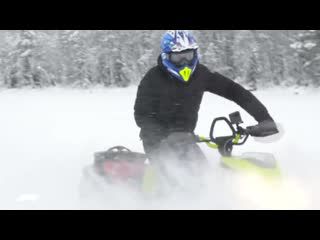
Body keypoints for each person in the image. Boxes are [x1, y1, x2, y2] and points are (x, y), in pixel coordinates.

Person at [134, 30, 278, 165]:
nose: (185, 62)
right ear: (167, 56)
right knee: (175, 177)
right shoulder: (152, 78)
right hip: (157, 142)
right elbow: (142, 114)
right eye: (179, 57)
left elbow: (235, 91)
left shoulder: (200, 75)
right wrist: (161, 136)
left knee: (205, 174)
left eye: (188, 55)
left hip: (187, 139)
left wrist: (263, 118)